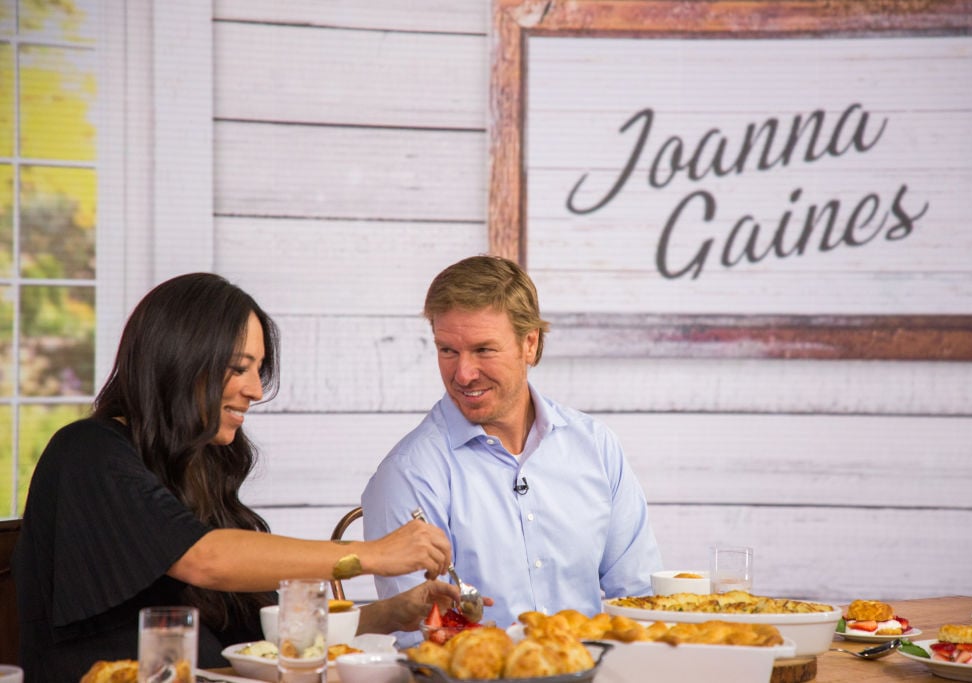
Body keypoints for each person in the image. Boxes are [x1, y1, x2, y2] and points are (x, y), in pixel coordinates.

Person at [12, 272, 460, 680]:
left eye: (256, 370)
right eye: (239, 367)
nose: (256, 390)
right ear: (182, 359)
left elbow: (264, 637)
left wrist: (387, 614)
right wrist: (370, 555)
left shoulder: (198, 469)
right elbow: (204, 559)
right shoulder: (87, 453)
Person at [361, 255, 662, 639]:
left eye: (483, 350)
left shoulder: (596, 446)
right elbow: (420, 640)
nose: (463, 374)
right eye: (447, 350)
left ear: (530, 344)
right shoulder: (407, 473)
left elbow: (638, 599)